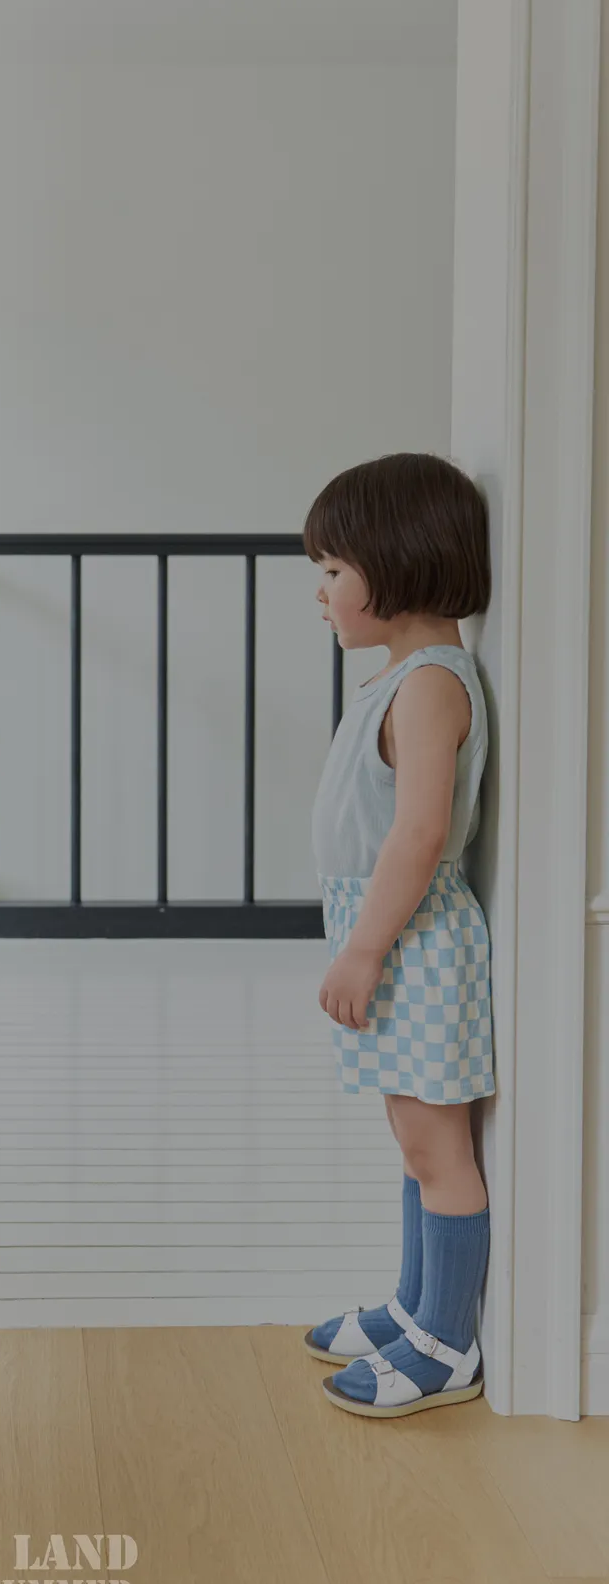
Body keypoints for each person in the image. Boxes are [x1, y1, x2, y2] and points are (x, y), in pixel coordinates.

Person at [301, 454, 494, 1417]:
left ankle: (446, 1344)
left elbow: (419, 832)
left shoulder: (430, 685)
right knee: (412, 1139)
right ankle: (415, 1307)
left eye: (334, 570)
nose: (322, 593)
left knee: (436, 1148)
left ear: (399, 562)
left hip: (411, 940)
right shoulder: (400, 679)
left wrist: (366, 949)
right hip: (390, 933)